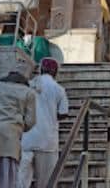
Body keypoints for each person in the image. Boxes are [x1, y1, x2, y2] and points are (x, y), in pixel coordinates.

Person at [18, 58, 69, 188]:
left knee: (21, 181)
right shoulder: (59, 89)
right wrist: (51, 116)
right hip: (47, 142)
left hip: (26, 140)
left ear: (40, 70)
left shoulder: (28, 85)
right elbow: (63, 113)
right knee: (47, 182)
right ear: (56, 72)